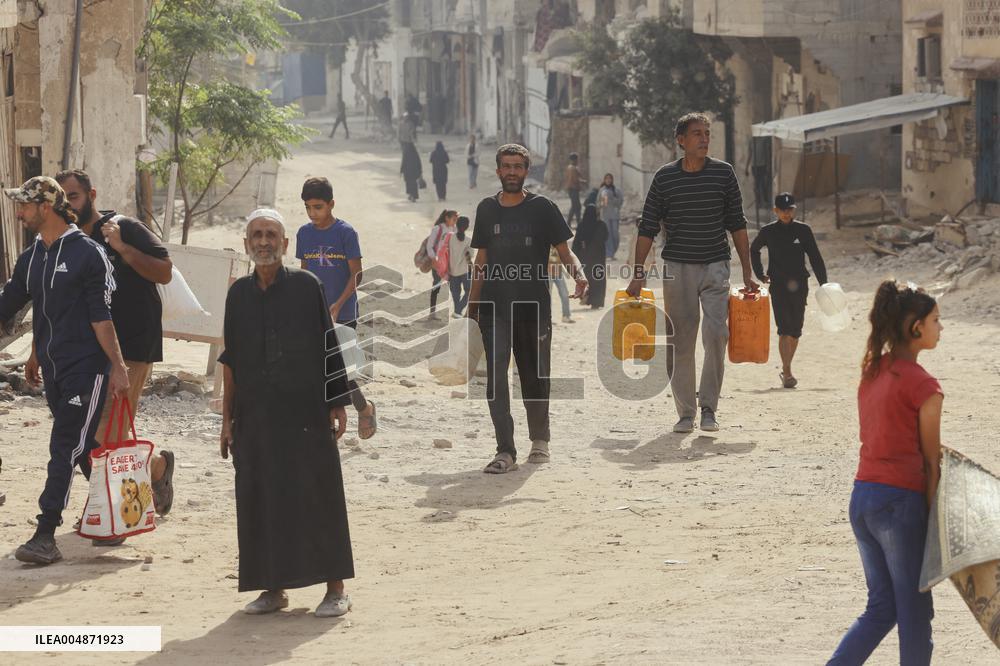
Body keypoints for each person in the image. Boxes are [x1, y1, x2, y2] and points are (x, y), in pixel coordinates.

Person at [219, 209, 355, 617]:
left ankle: (335, 589)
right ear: (246, 243)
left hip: (306, 412)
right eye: (257, 235)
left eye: (271, 235)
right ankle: (272, 589)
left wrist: (337, 401)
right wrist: (227, 420)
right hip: (255, 415)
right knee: (261, 498)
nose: (264, 242)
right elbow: (230, 360)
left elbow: (329, 342)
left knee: (318, 494)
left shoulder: (307, 286)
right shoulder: (237, 295)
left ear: (285, 243)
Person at [0, 177, 129, 565]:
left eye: (24, 205)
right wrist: (36, 352)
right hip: (53, 369)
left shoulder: (89, 254)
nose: (19, 213)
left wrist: (118, 367)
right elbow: (10, 303)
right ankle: (116, 517)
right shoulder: (33, 256)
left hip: (87, 368)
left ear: (46, 207)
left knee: (64, 444)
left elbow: (101, 316)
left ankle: (45, 535)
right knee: (82, 445)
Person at [55, 169, 178, 536]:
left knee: (104, 434)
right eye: (62, 199)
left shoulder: (123, 227)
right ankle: (154, 469)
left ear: (91, 195)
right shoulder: (68, 240)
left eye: (74, 196)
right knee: (92, 430)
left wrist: (123, 248)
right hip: (91, 347)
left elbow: (165, 272)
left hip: (133, 345)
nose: (68, 204)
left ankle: (110, 514)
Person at [827, 281, 942, 665]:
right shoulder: (925, 386)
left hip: (863, 499)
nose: (941, 328)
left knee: (882, 608)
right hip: (899, 505)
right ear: (916, 328)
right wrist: (935, 527)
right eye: (936, 320)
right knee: (915, 614)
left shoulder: (873, 370)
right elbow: (931, 463)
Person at [627, 112, 758, 434]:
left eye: (707, 133)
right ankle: (685, 412)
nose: (704, 139)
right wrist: (638, 274)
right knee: (680, 341)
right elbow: (648, 227)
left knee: (716, 334)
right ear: (681, 140)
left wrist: (748, 271)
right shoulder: (665, 178)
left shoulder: (723, 174)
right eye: (697, 133)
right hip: (677, 268)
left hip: (715, 266)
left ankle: (709, 408)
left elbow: (737, 224)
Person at [468, 144, 588, 473]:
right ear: (498, 171)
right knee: (496, 379)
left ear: (526, 171)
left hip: (532, 307)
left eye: (518, 166)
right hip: (494, 307)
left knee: (534, 375)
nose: (512, 172)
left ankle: (539, 440)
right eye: (506, 166)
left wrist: (579, 276)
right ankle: (505, 450)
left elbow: (565, 252)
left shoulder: (542, 208)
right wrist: (471, 308)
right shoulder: (486, 209)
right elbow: (481, 260)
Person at [296, 178, 377, 440]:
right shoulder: (304, 233)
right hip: (314, 313)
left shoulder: (346, 233)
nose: (312, 213)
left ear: (331, 204)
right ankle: (323, 426)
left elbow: (357, 274)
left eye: (318, 207)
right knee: (315, 370)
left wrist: (338, 304)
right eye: (308, 207)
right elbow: (304, 273)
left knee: (343, 372)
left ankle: (364, 409)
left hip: (343, 313)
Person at [750, 192, 828, 389]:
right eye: (782, 210)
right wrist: (760, 274)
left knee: (796, 330)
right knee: (784, 329)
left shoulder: (803, 230)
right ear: (775, 211)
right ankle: (787, 372)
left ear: (794, 210)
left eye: (789, 210)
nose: (786, 213)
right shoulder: (768, 231)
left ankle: (786, 368)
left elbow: (815, 257)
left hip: (800, 284)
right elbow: (754, 249)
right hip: (778, 285)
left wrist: (824, 283)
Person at [572, 202, 608, 309]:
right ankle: (597, 302)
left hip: (585, 258)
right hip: (598, 258)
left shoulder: (582, 225)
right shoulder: (601, 225)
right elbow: (605, 238)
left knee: (587, 279)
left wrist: (575, 256)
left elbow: (576, 243)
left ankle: (587, 298)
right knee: (598, 280)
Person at [426, 209, 457, 319]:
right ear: (447, 218)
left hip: (450, 263)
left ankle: (455, 312)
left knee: (454, 287)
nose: (455, 221)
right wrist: (434, 259)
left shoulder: (455, 229)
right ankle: (432, 313)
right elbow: (429, 246)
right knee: (436, 287)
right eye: (454, 219)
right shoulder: (438, 229)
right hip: (438, 263)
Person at [447, 216, 473, 317]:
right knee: (469, 291)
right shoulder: (468, 241)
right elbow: (470, 256)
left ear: (456, 225)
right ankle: (458, 310)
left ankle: (457, 310)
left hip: (452, 271)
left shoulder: (450, 238)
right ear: (467, 227)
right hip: (465, 271)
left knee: (455, 293)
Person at [598, 173, 624, 259]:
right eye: (606, 178)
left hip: (615, 215)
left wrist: (612, 199)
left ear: (612, 180)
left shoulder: (616, 190)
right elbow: (597, 203)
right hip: (605, 215)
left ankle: (614, 250)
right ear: (604, 180)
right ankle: (610, 253)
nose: (608, 180)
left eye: (610, 178)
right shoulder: (602, 190)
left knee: (615, 234)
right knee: (608, 234)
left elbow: (620, 202)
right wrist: (601, 203)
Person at [547, 244, 574, 324]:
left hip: (558, 272)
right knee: (548, 296)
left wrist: (565, 271)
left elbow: (561, 259)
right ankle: (547, 318)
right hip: (547, 273)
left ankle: (566, 316)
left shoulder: (559, 245)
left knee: (565, 294)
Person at [399, 113, 422, 202]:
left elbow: (404, 161)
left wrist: (401, 170)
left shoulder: (401, 124)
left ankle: (411, 195)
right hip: (413, 172)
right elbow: (418, 161)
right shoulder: (414, 153)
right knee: (413, 184)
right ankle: (413, 196)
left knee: (409, 183)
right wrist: (420, 172)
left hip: (408, 172)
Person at [564, 152, 586, 228]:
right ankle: (578, 223)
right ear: (574, 159)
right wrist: (583, 181)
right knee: (577, 206)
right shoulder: (572, 168)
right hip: (573, 189)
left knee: (575, 206)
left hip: (572, 189)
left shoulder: (571, 167)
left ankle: (570, 222)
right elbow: (575, 179)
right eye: (576, 159)